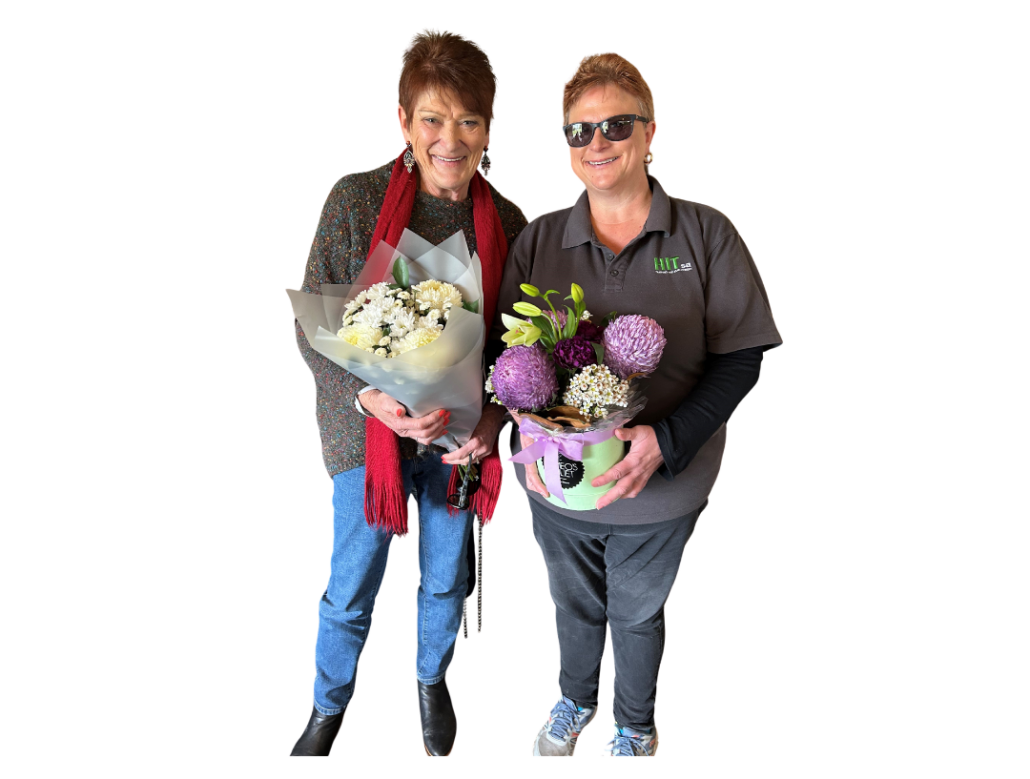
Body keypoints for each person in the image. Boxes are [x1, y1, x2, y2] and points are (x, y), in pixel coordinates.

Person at [493, 52, 783, 758]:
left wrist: (667, 437)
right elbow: (508, 364)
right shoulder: (539, 239)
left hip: (661, 487)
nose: (597, 144)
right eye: (579, 131)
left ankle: (634, 723)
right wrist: (524, 434)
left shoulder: (707, 233)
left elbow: (743, 357)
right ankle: (574, 698)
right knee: (572, 602)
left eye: (616, 126)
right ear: (565, 145)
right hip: (557, 486)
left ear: (652, 132)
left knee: (638, 611)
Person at [289, 28, 527, 758]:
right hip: (369, 429)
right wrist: (371, 400)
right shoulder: (355, 201)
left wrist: (491, 419)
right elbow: (314, 326)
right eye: (432, 118)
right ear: (403, 121)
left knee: (444, 580)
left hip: (461, 441)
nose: (449, 139)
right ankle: (329, 702)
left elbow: (519, 350)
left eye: (468, 121)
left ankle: (431, 680)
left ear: (489, 130)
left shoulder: (510, 222)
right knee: (353, 580)